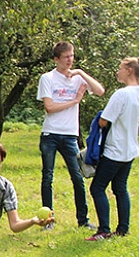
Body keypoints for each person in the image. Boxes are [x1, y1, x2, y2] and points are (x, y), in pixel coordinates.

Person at [37, 41, 105, 231]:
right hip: (50, 134)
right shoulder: (47, 78)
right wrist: (75, 100)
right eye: (66, 57)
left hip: (70, 135)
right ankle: (48, 220)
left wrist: (81, 73)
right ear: (56, 59)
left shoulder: (77, 79)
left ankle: (83, 220)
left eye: (72, 56)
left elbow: (100, 91)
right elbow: (49, 108)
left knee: (78, 177)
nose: (70, 60)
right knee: (47, 177)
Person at [86, 57, 139, 241]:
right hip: (130, 150)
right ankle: (123, 229)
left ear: (129, 70)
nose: (118, 71)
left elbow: (104, 120)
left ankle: (104, 230)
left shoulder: (121, 94)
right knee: (120, 188)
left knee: (97, 187)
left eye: (121, 68)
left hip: (114, 150)